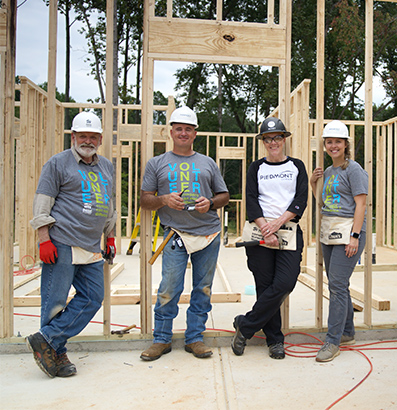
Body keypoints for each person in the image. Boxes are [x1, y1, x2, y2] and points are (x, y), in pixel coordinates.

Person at [26, 111, 117, 378]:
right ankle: (56, 353)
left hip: (91, 245)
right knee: (54, 302)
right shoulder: (58, 163)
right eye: (82, 135)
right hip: (62, 241)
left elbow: (108, 205)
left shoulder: (106, 166)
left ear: (99, 139)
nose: (87, 140)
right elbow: (43, 201)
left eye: (93, 136)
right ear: (73, 136)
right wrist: (44, 239)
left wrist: (109, 237)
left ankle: (46, 339)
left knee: (92, 297)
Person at [139, 106, 230, 361]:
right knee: (169, 287)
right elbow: (145, 200)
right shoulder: (157, 163)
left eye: (188, 129)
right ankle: (161, 339)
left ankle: (195, 338)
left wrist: (210, 203)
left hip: (207, 234)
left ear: (194, 133)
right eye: (178, 128)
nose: (183, 133)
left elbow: (224, 196)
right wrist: (164, 200)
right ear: (170, 132)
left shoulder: (207, 163)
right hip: (175, 234)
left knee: (203, 288)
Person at [231, 117, 308, 360]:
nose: (273, 142)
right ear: (263, 142)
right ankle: (275, 340)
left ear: (284, 139)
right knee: (265, 288)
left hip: (288, 231)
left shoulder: (296, 166)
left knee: (285, 283)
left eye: (277, 137)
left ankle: (245, 325)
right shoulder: (256, 168)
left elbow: (301, 199)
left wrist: (277, 224)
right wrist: (267, 229)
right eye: (268, 138)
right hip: (259, 233)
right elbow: (251, 200)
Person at [309, 120, 368, 363]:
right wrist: (314, 183)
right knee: (338, 284)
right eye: (330, 142)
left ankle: (332, 341)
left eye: (338, 142)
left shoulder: (353, 170)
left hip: (348, 232)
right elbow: (323, 205)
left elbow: (361, 204)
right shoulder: (329, 172)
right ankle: (347, 332)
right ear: (324, 145)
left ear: (346, 145)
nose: (334, 146)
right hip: (329, 231)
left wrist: (354, 237)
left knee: (336, 285)